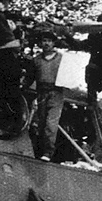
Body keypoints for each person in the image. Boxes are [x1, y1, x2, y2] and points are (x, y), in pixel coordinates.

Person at [26, 31, 64, 160]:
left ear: (54, 43)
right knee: (40, 124)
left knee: (51, 124)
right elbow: (30, 78)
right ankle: (39, 152)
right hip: (41, 93)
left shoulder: (61, 59)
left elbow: (69, 76)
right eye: (44, 40)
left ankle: (48, 152)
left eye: (49, 41)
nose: (46, 43)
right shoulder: (36, 60)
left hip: (56, 93)